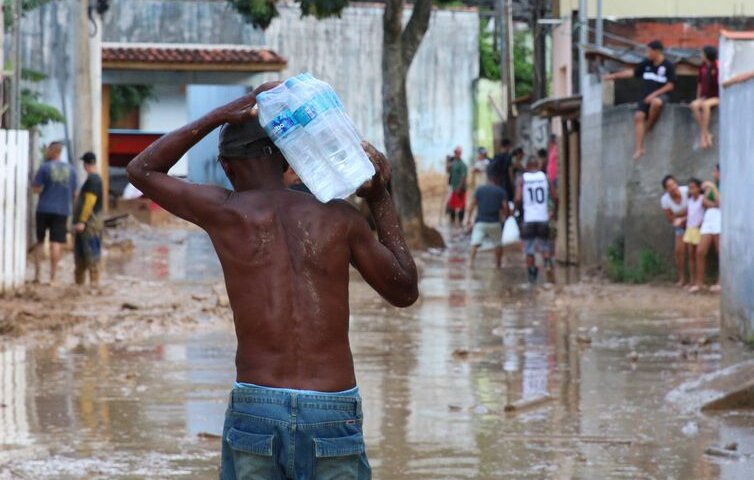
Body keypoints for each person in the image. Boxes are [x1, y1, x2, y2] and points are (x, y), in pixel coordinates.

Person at [126, 84, 417, 480]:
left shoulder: (225, 212)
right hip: (331, 405)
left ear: (227, 167)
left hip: (256, 405)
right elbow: (404, 290)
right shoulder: (339, 218)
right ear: (286, 160)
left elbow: (141, 170)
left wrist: (219, 114)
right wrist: (381, 196)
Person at [603, 40, 676, 160]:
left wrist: (654, 95)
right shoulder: (646, 64)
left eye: (649, 51)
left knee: (656, 103)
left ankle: (649, 127)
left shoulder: (668, 66)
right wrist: (613, 76)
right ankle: (639, 148)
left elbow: (670, 85)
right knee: (638, 117)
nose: (647, 54)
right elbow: (633, 73)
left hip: (660, 95)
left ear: (657, 52)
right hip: (645, 95)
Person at [31, 141, 77, 284]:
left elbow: (35, 188)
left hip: (44, 208)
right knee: (56, 243)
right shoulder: (71, 169)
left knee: (39, 241)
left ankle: (37, 276)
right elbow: (75, 193)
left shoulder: (44, 167)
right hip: (62, 210)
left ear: (52, 151)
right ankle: (53, 277)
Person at [515, 156, 558, 284]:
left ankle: (532, 279)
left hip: (529, 219)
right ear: (538, 166)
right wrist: (554, 212)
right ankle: (548, 265)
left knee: (529, 249)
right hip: (543, 218)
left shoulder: (523, 179)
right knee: (545, 246)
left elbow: (517, 199)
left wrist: (516, 212)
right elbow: (556, 197)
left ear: (527, 167)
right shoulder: (545, 177)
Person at [72, 152, 104, 286]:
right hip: (89, 223)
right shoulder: (94, 179)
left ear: (86, 164)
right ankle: (81, 284)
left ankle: (94, 284)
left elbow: (89, 202)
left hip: (89, 224)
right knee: (82, 255)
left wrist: (82, 221)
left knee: (91, 254)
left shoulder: (93, 180)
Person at [465, 176, 509, 268]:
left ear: (488, 180)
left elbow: (472, 205)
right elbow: (505, 207)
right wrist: (506, 217)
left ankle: (471, 262)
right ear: (496, 181)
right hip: (495, 222)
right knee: (498, 244)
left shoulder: (479, 190)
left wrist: (468, 219)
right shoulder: (500, 191)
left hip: (480, 222)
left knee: (475, 243)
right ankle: (498, 264)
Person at [693, 165, 721, 293]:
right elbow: (704, 201)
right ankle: (700, 283)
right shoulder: (712, 186)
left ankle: (720, 282)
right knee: (700, 251)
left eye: (715, 171)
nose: (713, 173)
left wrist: (714, 188)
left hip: (720, 217)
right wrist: (714, 201)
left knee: (720, 251)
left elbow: (721, 203)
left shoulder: (725, 184)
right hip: (709, 216)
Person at [660, 175, 689, 286]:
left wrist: (680, 216)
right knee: (678, 251)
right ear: (666, 189)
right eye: (669, 186)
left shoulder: (686, 191)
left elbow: (694, 210)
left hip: (694, 222)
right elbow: (670, 218)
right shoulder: (665, 200)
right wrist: (682, 216)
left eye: (673, 184)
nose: (672, 187)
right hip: (680, 225)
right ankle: (681, 278)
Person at [690, 46, 720, 149]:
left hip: (717, 96)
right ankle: (707, 133)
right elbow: (699, 83)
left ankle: (703, 136)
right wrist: (698, 97)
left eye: (702, 54)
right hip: (705, 96)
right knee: (694, 105)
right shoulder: (702, 67)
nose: (701, 56)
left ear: (707, 55)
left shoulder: (717, 66)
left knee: (705, 105)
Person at [683, 178, 704, 292]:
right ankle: (692, 280)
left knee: (698, 255)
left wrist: (701, 225)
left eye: (694, 187)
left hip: (698, 229)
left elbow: (703, 213)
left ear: (699, 188)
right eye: (690, 188)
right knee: (691, 255)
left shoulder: (702, 199)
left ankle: (698, 281)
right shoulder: (689, 200)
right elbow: (689, 214)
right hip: (690, 229)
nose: (691, 190)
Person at [446, 146, 468, 226]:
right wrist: (447, 162)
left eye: (458, 153)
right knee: (452, 205)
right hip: (453, 187)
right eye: (455, 152)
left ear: (460, 153)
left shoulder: (462, 164)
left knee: (461, 205)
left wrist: (459, 187)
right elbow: (448, 171)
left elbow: (463, 177)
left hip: (460, 188)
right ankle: (452, 221)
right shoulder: (453, 163)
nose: (457, 154)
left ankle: (461, 221)